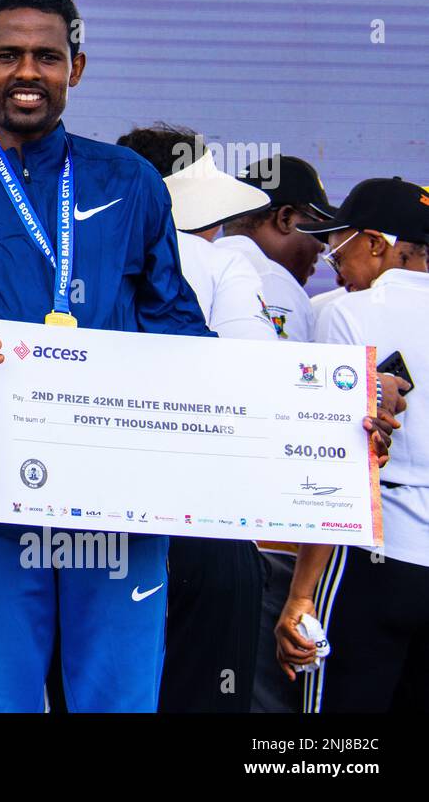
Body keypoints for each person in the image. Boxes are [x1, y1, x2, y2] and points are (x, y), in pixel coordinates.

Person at [0, 0, 213, 712]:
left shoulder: (129, 182)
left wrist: (311, 405)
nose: (28, 72)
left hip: (118, 509)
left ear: (77, 67)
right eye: (8, 55)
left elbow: (180, 333)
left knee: (119, 706)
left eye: (47, 56)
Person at [117, 123, 272, 712]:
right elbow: (256, 379)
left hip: (87, 532)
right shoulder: (222, 263)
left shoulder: (63, 259)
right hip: (206, 523)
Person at [277, 178, 426, 712]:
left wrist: (300, 594)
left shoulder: (344, 313)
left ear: (377, 244)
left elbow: (337, 457)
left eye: (339, 242)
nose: (330, 260)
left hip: (374, 555)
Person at [217, 154, 338, 712]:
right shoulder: (269, 282)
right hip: (262, 534)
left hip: (194, 526)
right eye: (320, 230)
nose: (323, 251)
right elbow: (291, 408)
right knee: (264, 700)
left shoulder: (201, 260)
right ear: (285, 218)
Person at [118, 125, 276, 341]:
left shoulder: (71, 249)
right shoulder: (222, 263)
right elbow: (250, 358)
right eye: (217, 212)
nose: (219, 226)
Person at [219, 155, 336, 342]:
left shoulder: (196, 264)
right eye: (318, 226)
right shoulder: (272, 281)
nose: (322, 245)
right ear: (286, 218)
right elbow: (285, 370)